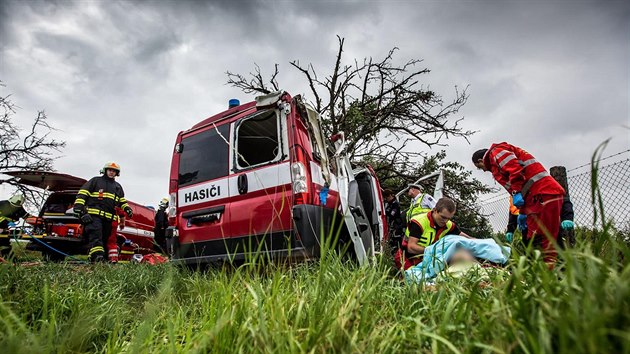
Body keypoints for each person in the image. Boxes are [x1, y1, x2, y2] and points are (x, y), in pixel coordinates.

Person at [472, 143, 565, 266]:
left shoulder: (496, 152)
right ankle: (559, 273)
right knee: (550, 237)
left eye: (479, 167)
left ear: (480, 160)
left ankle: (545, 274)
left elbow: (515, 170)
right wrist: (522, 211)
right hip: (541, 196)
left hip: (541, 194)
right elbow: (522, 188)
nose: (483, 170)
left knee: (540, 239)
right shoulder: (497, 160)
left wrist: (516, 192)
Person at [73, 162, 132, 262]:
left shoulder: (118, 187)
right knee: (96, 236)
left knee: (105, 240)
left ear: (117, 173)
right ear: (105, 171)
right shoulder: (95, 181)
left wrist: (127, 208)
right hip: (94, 216)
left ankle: (99, 258)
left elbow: (121, 200)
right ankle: (97, 258)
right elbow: (83, 194)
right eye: (109, 170)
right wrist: (80, 209)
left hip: (109, 219)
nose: (111, 172)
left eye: (114, 171)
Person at [395, 197, 469, 270]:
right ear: (435, 210)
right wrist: (434, 251)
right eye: (443, 217)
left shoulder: (448, 225)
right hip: (406, 258)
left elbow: (465, 237)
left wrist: (478, 242)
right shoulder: (419, 222)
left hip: (426, 259)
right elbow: (411, 247)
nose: (445, 221)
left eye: (449, 218)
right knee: (415, 280)